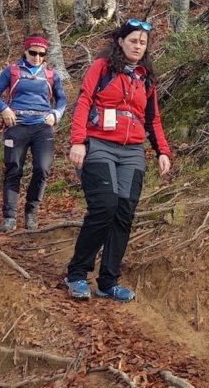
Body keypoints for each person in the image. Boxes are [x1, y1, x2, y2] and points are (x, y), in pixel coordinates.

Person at [66, 19, 171, 302]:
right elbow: (85, 100)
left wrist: (162, 150)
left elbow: (153, 118)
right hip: (99, 143)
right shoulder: (102, 68)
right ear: (120, 41)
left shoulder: (145, 77)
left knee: (124, 213)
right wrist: (78, 141)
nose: (138, 46)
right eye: (133, 40)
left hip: (133, 150)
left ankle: (108, 282)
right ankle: (77, 273)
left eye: (143, 42)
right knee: (105, 206)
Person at [0, 34, 67, 232]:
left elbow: (62, 99)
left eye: (42, 54)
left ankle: (31, 212)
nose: (37, 57)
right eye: (33, 52)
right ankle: (9, 216)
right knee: (13, 168)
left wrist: (56, 115)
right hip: (16, 126)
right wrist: (4, 110)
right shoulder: (12, 71)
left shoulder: (50, 74)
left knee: (42, 168)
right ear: (25, 51)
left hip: (42, 127)